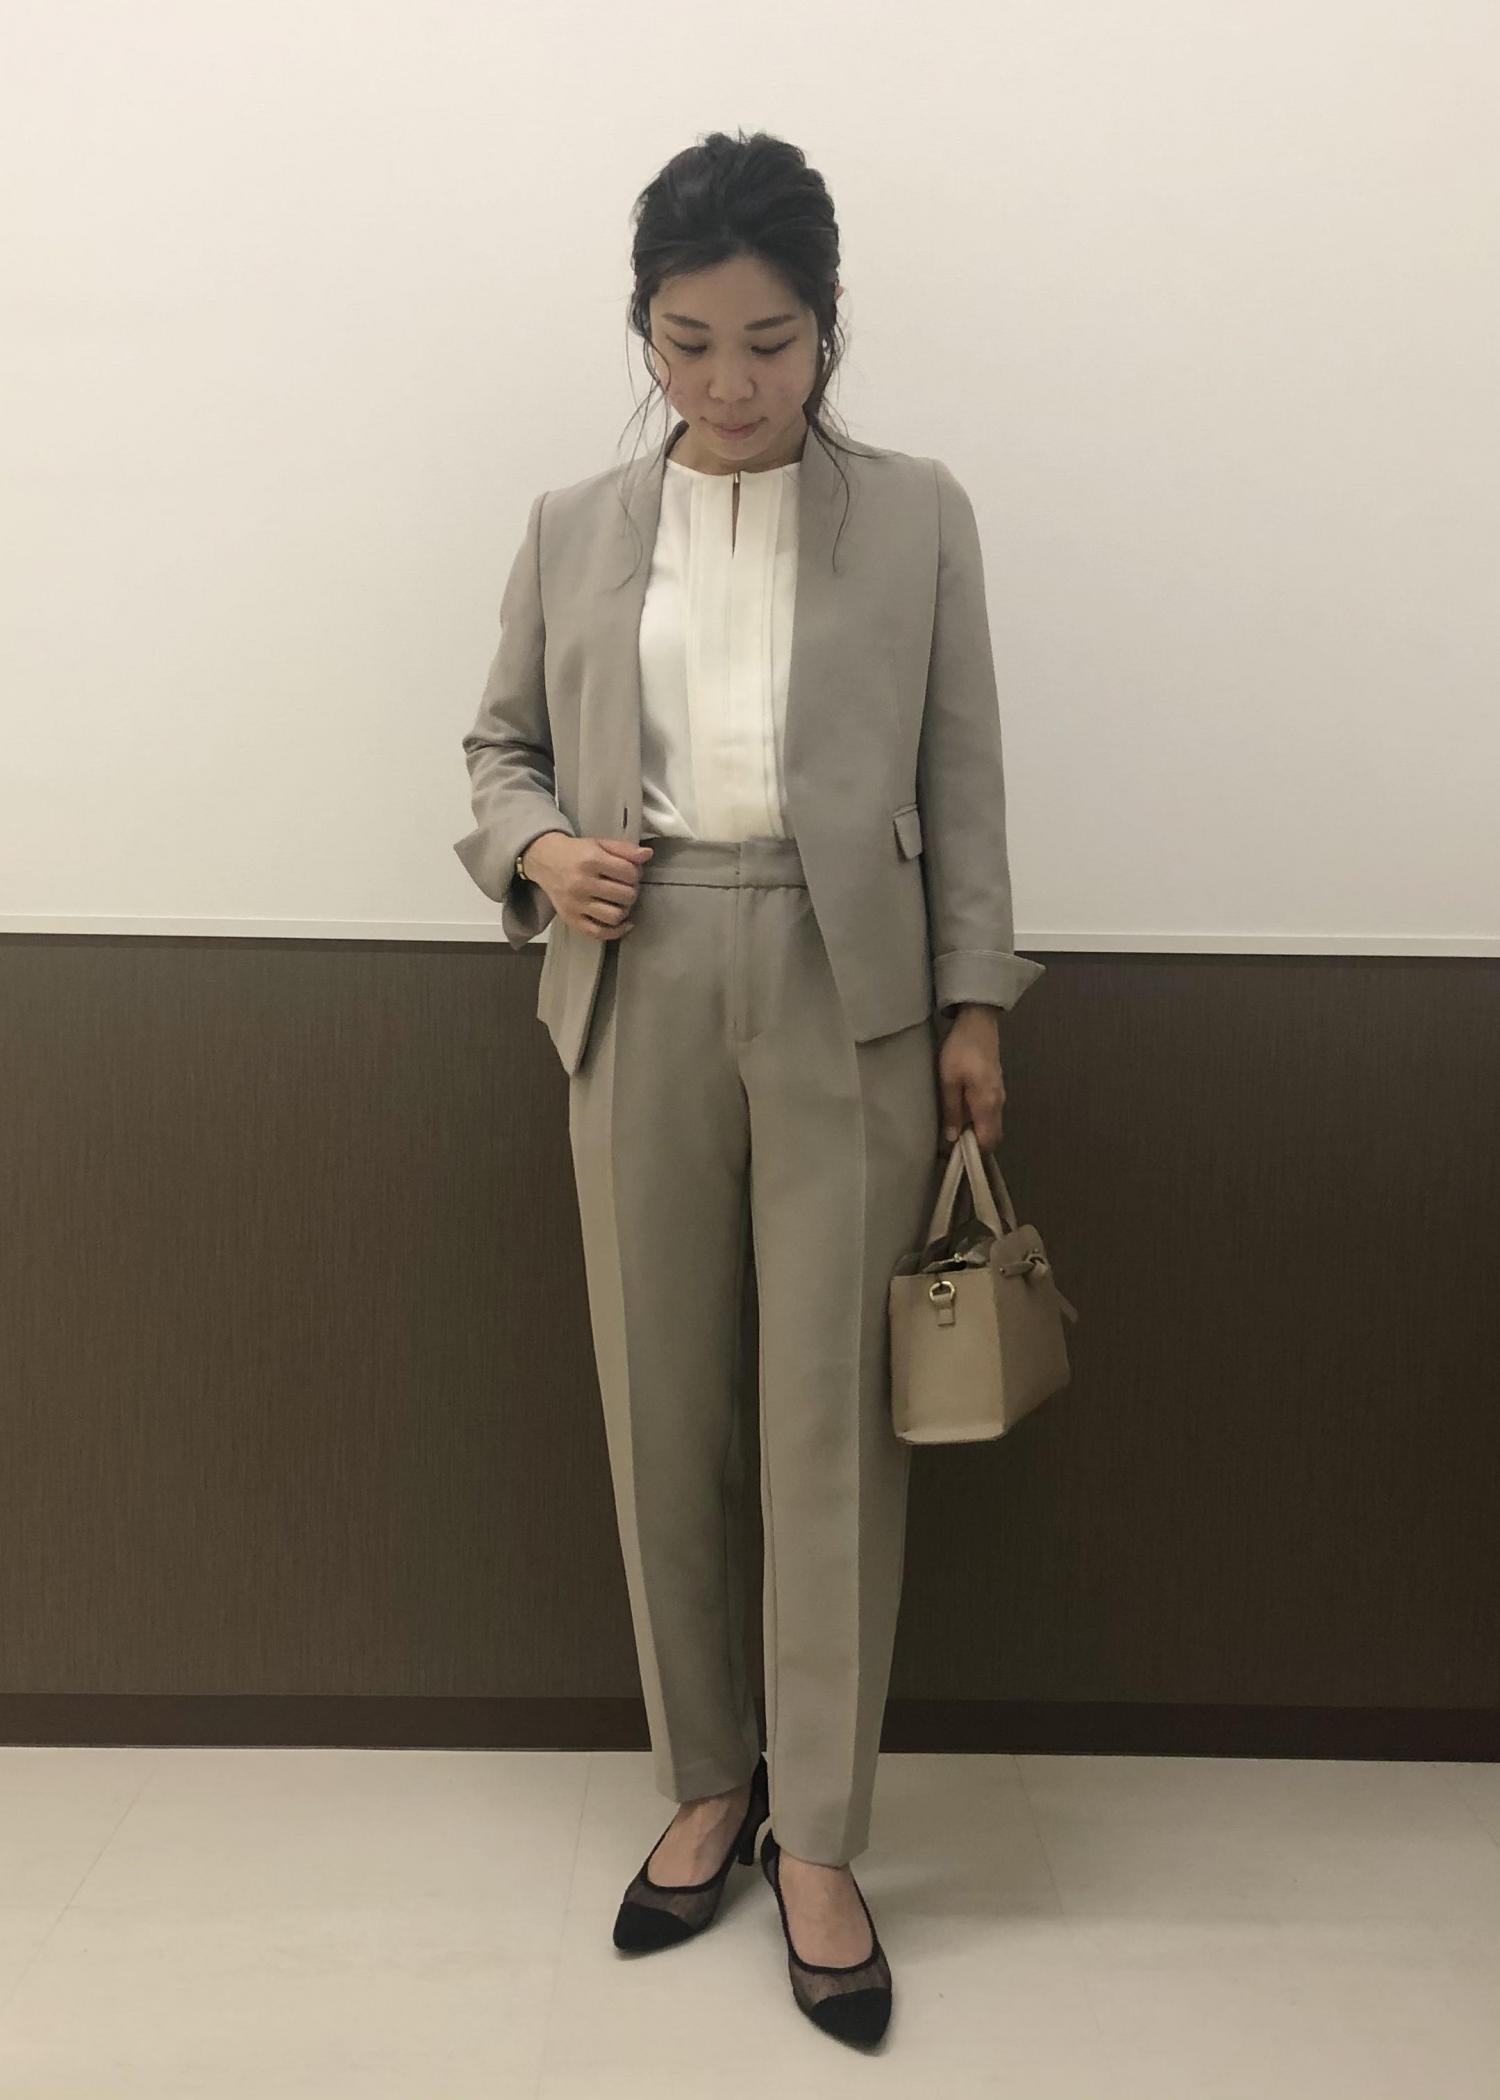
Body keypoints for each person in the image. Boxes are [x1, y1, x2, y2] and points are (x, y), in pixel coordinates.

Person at [454, 129, 1046, 2048]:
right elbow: (497, 750)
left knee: (829, 1427)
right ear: (643, 330)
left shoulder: (919, 514)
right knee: (664, 1407)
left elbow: (965, 775)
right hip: (634, 974)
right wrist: (542, 853)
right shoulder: (571, 524)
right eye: (690, 343)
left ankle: (824, 1836)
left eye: (771, 343)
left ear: (828, 327)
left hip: (847, 984)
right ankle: (707, 1782)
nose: (731, 383)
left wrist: (973, 1002)